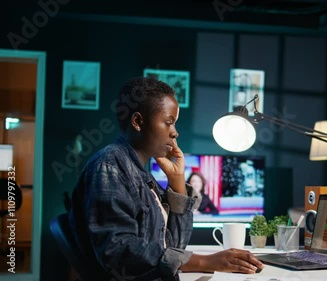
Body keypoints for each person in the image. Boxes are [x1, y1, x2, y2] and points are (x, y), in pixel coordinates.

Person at [68, 77, 264, 281]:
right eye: (168, 122)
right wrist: (206, 261)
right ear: (137, 122)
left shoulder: (140, 173)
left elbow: (174, 247)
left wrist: (177, 179)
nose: (175, 132)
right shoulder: (109, 167)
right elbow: (118, 252)